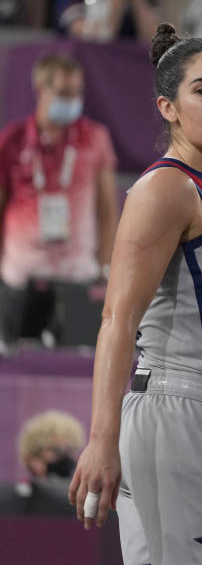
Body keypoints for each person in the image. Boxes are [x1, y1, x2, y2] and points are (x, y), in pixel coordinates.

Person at [67, 23, 202, 564]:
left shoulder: (201, 192)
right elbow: (117, 319)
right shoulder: (167, 186)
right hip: (195, 417)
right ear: (167, 108)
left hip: (174, 414)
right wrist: (99, 439)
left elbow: (198, 241)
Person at [0, 53, 118, 347]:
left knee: (77, 373)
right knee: (16, 374)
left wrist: (105, 268)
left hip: (77, 277)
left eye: (78, 93)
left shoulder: (95, 137)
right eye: (65, 94)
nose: (74, 101)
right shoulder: (11, 140)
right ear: (41, 90)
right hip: (21, 277)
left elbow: (106, 209)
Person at [0, 410, 85, 516]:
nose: (67, 457)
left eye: (71, 450)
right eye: (58, 450)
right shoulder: (15, 501)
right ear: (34, 458)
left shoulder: (83, 500)